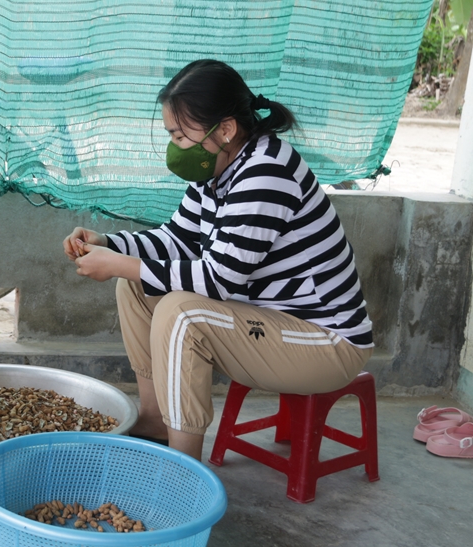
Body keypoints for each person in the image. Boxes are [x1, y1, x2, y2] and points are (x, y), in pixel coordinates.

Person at [63, 59, 373, 461]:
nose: (176, 147)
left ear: (225, 129)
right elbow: (177, 239)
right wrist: (109, 243)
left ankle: (183, 469)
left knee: (180, 311)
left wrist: (119, 263)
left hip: (326, 341)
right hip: (267, 321)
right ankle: (155, 421)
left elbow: (219, 280)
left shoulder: (266, 172)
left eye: (180, 135)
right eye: (172, 135)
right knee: (136, 287)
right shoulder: (218, 169)